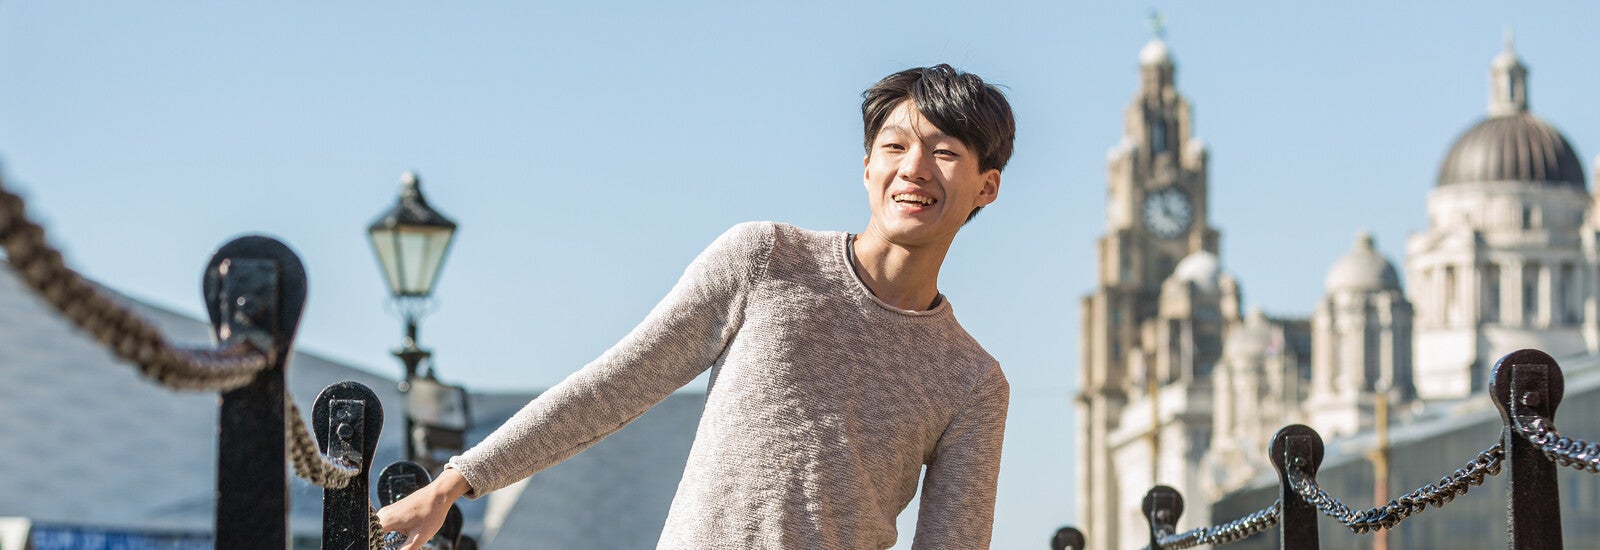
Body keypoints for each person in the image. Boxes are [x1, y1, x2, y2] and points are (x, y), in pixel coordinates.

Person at [378, 63, 1016, 549]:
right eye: (895, 146)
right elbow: (617, 383)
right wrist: (455, 482)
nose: (915, 168)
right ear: (868, 167)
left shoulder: (973, 382)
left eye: (945, 152)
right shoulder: (765, 259)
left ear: (985, 187)